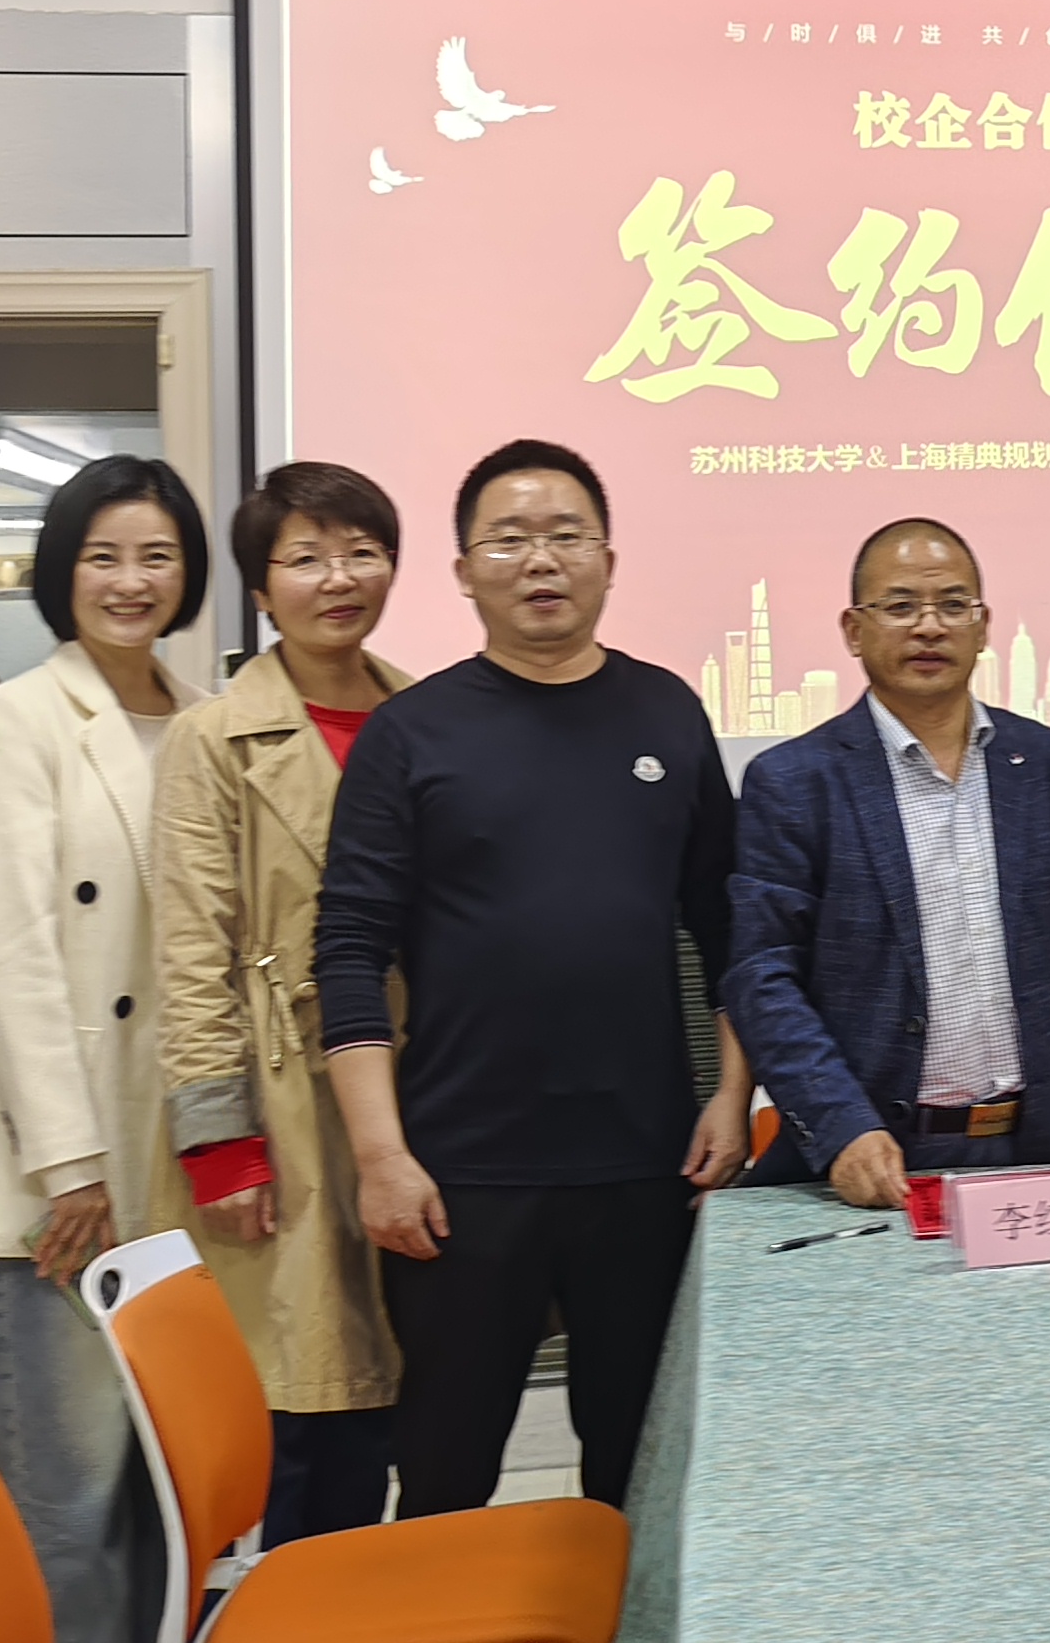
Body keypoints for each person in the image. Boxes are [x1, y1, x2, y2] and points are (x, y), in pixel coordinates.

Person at [311, 440, 752, 1515]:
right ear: (464, 571)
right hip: (461, 1174)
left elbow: (731, 926)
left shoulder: (666, 712)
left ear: (609, 560)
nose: (540, 560)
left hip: (644, 1165)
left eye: (566, 536)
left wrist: (735, 1096)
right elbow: (350, 949)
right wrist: (380, 1156)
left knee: (637, 1471)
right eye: (508, 540)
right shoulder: (411, 734)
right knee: (446, 1473)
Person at [0, 456, 209, 1643]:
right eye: (103, 556)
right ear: (61, 570)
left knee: (170, 1486)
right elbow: (12, 961)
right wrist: (70, 1164)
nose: (130, 581)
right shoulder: (12, 722)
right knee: (73, 1496)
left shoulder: (200, 718)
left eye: (156, 555)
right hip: (69, 1176)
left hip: (179, 1165)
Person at [153, 461, 412, 1543]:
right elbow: (190, 948)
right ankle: (295, 1602)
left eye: (360, 552)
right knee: (301, 1402)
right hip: (283, 1102)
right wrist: (221, 1145)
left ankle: (366, 1598)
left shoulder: (426, 713)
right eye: (305, 559)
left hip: (413, 1087)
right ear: (262, 589)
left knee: (399, 1391)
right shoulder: (212, 738)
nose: (337, 579)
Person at [723, 517, 1050, 1196]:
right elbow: (762, 975)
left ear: (983, 627)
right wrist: (841, 1127)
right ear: (853, 629)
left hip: (1028, 1150)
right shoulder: (794, 780)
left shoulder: (1041, 762)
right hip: (870, 1159)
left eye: (953, 605)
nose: (929, 627)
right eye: (900, 607)